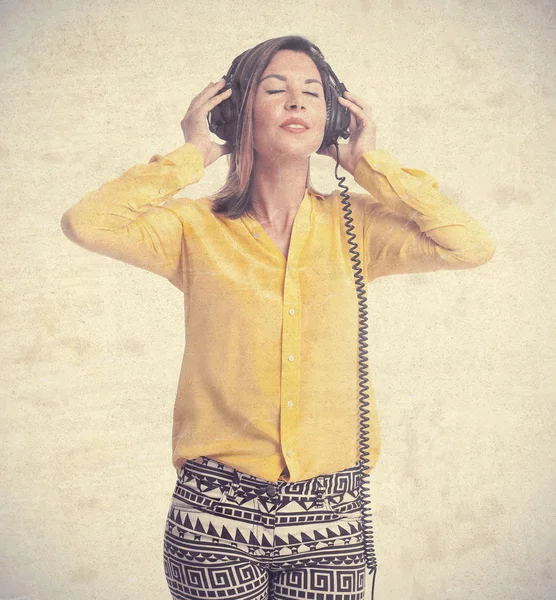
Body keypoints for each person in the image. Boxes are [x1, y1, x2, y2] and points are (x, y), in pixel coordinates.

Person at [60, 35, 495, 600]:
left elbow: (471, 245)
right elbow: (87, 223)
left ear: (332, 116)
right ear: (236, 113)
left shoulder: (359, 226)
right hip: (213, 520)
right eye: (275, 89)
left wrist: (365, 162)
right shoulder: (192, 230)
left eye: (313, 93)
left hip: (332, 522)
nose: (297, 103)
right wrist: (191, 153)